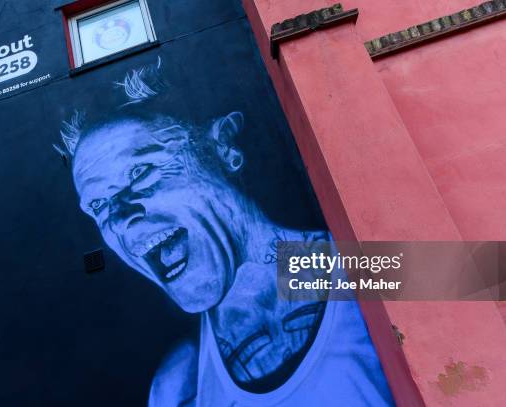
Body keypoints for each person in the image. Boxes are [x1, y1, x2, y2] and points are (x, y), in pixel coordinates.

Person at [56, 58, 394, 406]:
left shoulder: (373, 269)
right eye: (98, 206)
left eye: (140, 172)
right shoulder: (178, 386)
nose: (119, 218)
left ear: (222, 147)